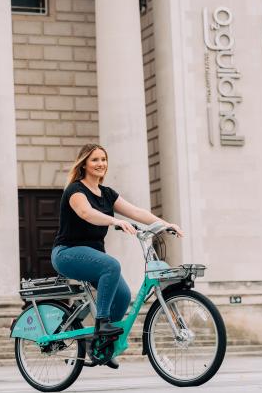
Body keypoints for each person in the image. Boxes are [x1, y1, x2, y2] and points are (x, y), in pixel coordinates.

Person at [51, 143, 184, 367]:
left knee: (122, 296)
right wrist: (114, 220)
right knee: (111, 265)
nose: (100, 164)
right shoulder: (75, 191)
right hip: (67, 253)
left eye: (103, 159)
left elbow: (136, 212)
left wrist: (165, 224)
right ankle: (102, 323)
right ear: (84, 164)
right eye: (95, 160)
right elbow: (86, 213)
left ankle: (100, 346)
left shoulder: (107, 194)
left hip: (92, 257)